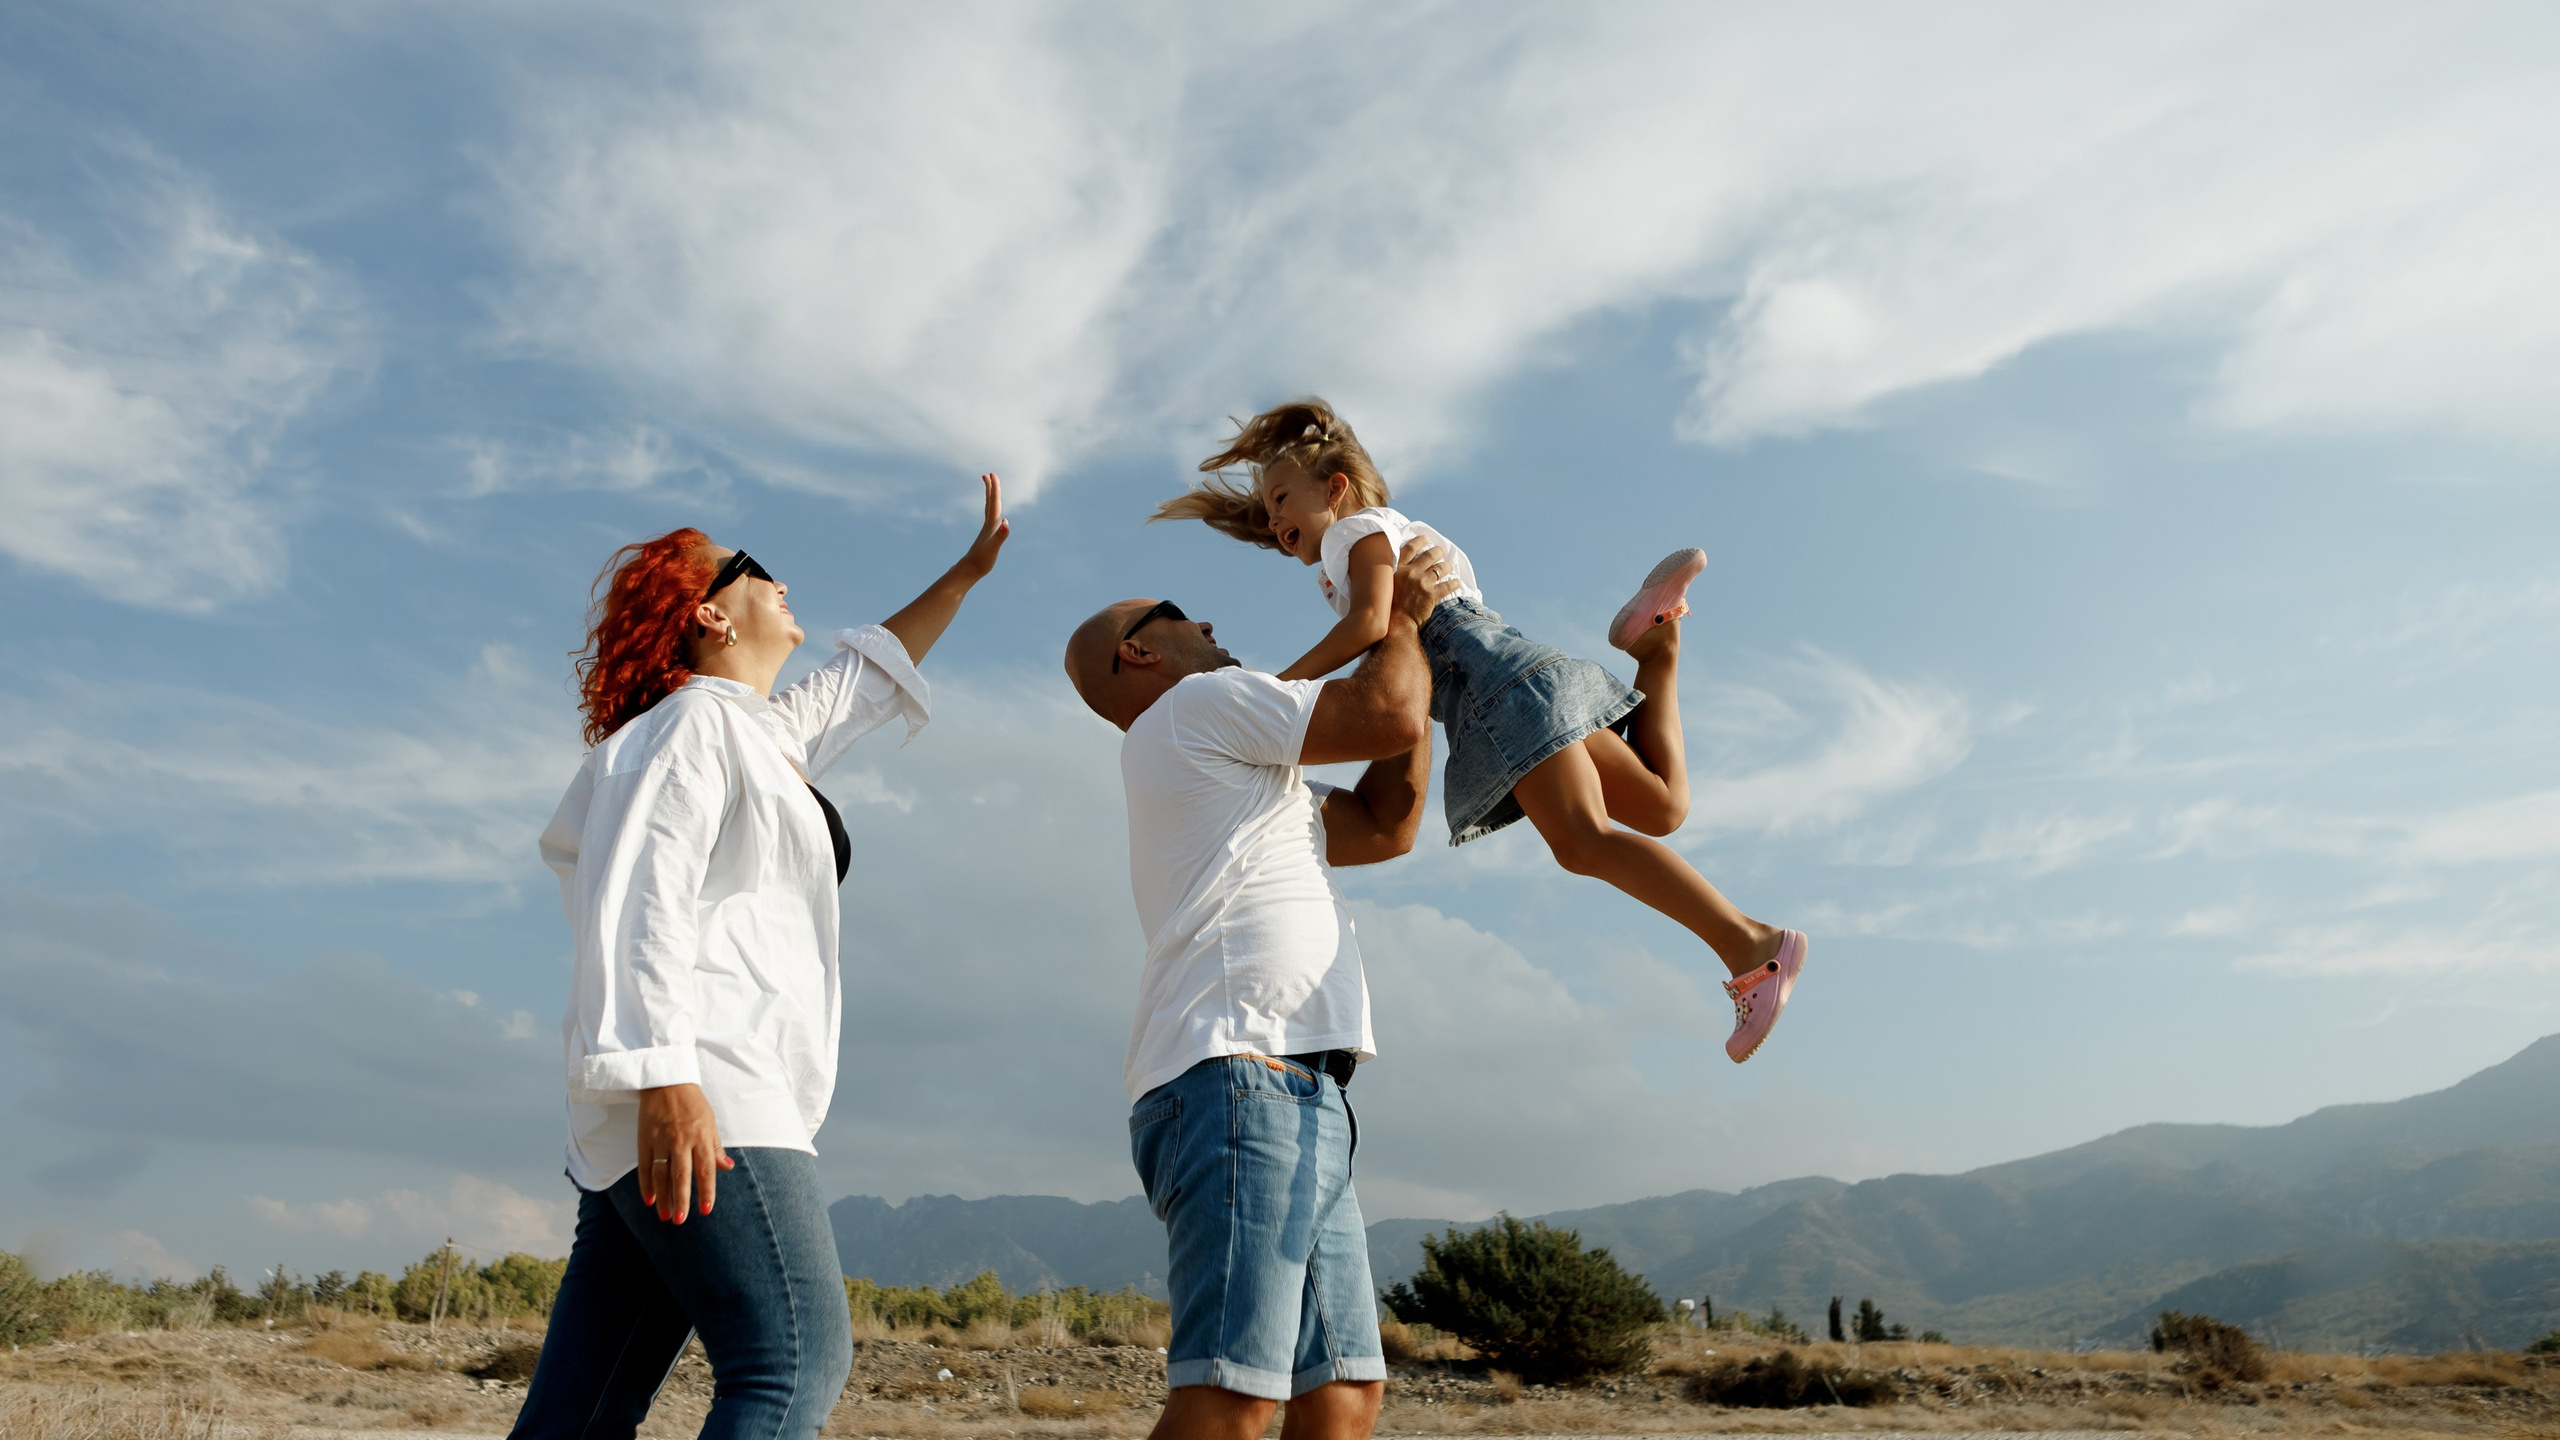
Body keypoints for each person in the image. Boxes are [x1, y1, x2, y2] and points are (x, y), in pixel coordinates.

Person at [516, 476, 1010, 1440]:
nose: (788, 585)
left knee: (584, 1409)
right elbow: (641, 895)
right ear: (708, 610)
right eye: (761, 572)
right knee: (790, 1361)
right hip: (703, 1081)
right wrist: (666, 1078)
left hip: (667, 1095)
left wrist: (967, 572)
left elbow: (868, 678)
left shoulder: (760, 734)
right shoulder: (687, 726)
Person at [1154, 399, 1807, 1063]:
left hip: (1496, 690)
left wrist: (1278, 692)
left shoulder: (1356, 538)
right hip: (1517, 672)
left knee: (1582, 842)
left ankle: (1751, 948)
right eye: (1267, 512)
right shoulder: (1389, 532)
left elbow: (1372, 625)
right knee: (1661, 806)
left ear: (1335, 487)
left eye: (1282, 499)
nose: (1273, 520)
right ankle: (1656, 649)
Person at [1063, 535, 1458, 1440]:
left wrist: (1416, 649)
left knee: (1343, 1396)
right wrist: (1397, 622)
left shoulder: (1238, 774)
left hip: (1294, 1088)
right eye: (1181, 614)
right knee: (1233, 1400)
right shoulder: (1198, 705)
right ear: (1141, 649)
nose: (1207, 622)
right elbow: (1383, 713)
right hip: (1242, 1076)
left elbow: (1388, 822)